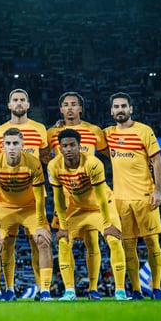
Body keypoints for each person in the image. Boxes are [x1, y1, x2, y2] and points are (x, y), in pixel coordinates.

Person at [47, 129, 128, 301]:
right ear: (59, 148)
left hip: (101, 206)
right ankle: (69, 291)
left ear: (79, 146)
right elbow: (58, 198)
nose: (69, 149)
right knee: (63, 241)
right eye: (65, 146)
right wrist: (62, 226)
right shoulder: (54, 166)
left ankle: (120, 291)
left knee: (114, 240)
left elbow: (101, 196)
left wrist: (108, 224)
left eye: (72, 145)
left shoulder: (93, 163)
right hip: (77, 208)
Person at [46, 91, 110, 300]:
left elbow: (110, 154)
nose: (70, 108)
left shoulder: (94, 131)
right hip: (65, 197)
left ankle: (93, 289)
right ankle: (69, 290)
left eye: (74, 104)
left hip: (89, 195)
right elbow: (45, 156)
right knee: (64, 241)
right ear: (61, 109)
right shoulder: (52, 132)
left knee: (92, 241)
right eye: (66, 105)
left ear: (81, 108)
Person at [0, 88, 50, 300]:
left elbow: (46, 157)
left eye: (22, 100)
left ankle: (43, 289)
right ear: (9, 105)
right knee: (5, 244)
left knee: (39, 241)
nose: (18, 103)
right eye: (15, 100)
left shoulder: (40, 128)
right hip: (5, 198)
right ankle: (8, 289)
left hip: (33, 197)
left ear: (28, 104)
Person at [104, 92, 161, 300]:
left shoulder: (144, 131)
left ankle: (157, 289)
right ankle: (136, 290)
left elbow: (157, 161)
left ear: (131, 109)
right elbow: (85, 134)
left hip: (145, 197)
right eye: (116, 106)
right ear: (111, 111)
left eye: (123, 106)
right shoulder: (108, 133)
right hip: (120, 200)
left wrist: (157, 190)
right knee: (128, 246)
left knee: (152, 242)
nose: (120, 109)